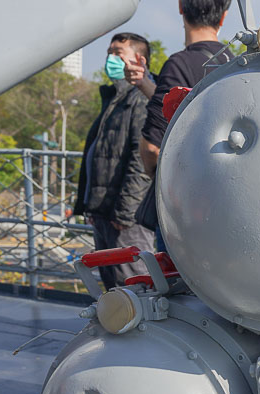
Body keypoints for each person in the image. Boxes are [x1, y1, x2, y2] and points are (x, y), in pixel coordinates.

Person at [133, 0, 233, 251]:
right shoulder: (237, 63)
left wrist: (159, 175)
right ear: (223, 17)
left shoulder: (179, 64)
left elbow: (151, 147)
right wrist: (146, 85)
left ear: (181, 8)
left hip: (183, 214)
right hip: (226, 208)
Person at [74, 33, 154, 290]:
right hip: (105, 213)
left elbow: (140, 160)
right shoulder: (116, 97)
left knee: (133, 285)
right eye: (109, 53)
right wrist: (93, 207)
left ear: (139, 60)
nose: (110, 59)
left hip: (124, 218)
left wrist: (125, 211)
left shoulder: (139, 98)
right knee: (114, 286)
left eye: (118, 54)